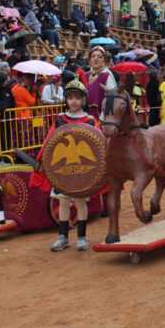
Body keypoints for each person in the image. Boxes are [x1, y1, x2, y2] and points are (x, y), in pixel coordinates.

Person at [45, 80, 99, 252]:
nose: (73, 101)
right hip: (63, 169)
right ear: (66, 99)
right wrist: (42, 160)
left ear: (83, 100)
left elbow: (98, 145)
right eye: (70, 98)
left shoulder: (90, 121)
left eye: (77, 98)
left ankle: (81, 238)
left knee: (81, 201)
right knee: (63, 201)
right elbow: (50, 141)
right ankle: (63, 237)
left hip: (83, 169)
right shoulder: (60, 119)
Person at [81, 46, 116, 118]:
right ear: (89, 60)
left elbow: (112, 99)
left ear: (104, 60)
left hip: (101, 117)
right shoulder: (85, 75)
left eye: (100, 57)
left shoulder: (106, 76)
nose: (96, 59)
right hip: (84, 116)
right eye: (93, 56)